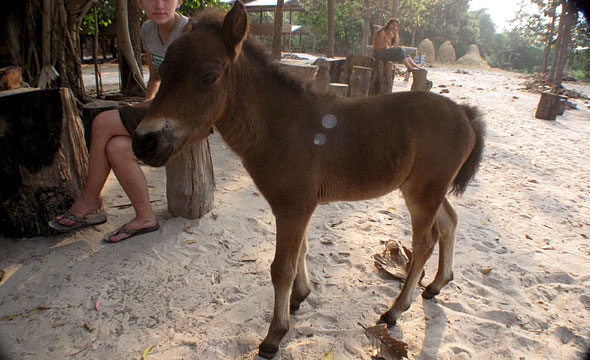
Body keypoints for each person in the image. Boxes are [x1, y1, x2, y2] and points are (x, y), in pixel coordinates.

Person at [49, 0, 189, 243]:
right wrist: (145, 103)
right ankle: (146, 217)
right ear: (139, 2)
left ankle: (90, 199)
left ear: (179, 1)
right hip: (161, 107)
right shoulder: (148, 29)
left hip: (187, 115)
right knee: (116, 148)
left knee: (103, 122)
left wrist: (148, 109)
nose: (159, 4)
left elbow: (191, 88)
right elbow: (155, 78)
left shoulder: (189, 32)